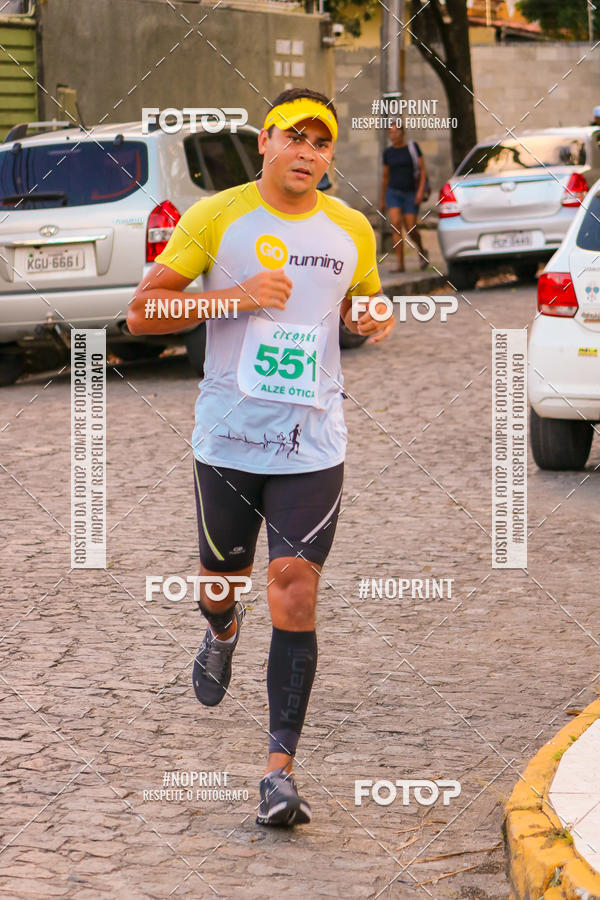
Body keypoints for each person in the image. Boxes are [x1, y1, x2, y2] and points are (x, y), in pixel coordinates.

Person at [127, 87, 394, 827]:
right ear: (265, 143)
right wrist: (235, 296)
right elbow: (143, 313)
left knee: (293, 588)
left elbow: (362, 300)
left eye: (320, 141)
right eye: (292, 136)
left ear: (330, 156)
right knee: (224, 585)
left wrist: (372, 314)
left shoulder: (350, 228)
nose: (306, 151)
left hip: (313, 443)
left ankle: (279, 771)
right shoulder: (217, 217)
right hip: (229, 439)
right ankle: (221, 629)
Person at [380, 123, 429, 273]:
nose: (393, 135)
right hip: (393, 192)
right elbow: (385, 176)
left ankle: (422, 251)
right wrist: (382, 199)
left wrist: (420, 191)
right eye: (390, 133)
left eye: (396, 132)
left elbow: (423, 170)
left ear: (402, 133)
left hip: (411, 193)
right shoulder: (388, 153)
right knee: (395, 224)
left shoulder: (412, 148)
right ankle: (400, 264)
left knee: (411, 227)